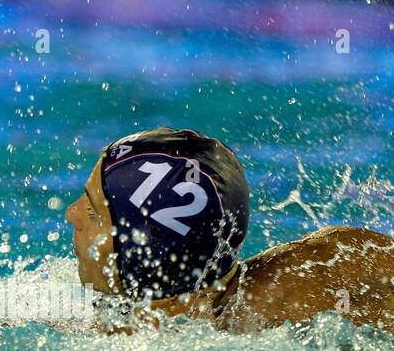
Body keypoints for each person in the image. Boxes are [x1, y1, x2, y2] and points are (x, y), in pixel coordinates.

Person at [64, 127, 394, 332]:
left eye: (94, 211)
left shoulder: (336, 270)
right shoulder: (338, 258)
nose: (72, 213)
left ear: (144, 249)